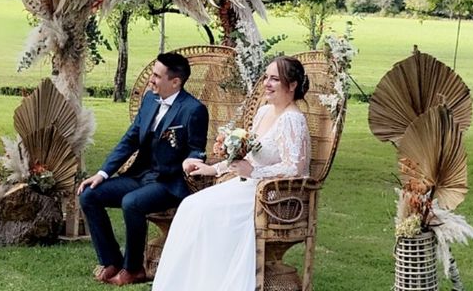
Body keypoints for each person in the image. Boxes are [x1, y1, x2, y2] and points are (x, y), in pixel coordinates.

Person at [152, 56, 311, 291]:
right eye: (266, 77)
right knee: (191, 206)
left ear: (292, 85)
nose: (266, 83)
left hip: (272, 195)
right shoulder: (264, 112)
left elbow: (294, 168)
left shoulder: (292, 120)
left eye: (275, 79)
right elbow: (244, 157)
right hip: (247, 184)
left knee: (207, 211)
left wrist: (256, 171)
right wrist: (213, 168)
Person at [77, 52, 209, 286]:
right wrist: (102, 173)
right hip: (139, 176)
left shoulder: (194, 110)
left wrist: (192, 161)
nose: (151, 79)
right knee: (89, 194)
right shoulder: (149, 100)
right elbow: (129, 140)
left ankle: (133, 269)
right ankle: (112, 262)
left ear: (175, 81)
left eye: (157, 76)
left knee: (132, 202)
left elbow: (196, 149)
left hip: (169, 183)